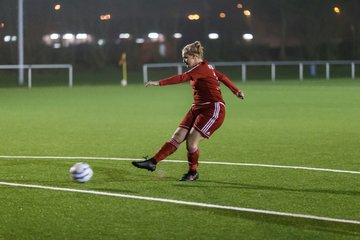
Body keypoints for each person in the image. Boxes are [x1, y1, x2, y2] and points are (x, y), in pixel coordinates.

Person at [132, 41, 244, 181]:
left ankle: (193, 172)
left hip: (213, 109)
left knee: (191, 141)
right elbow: (222, 77)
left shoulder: (201, 68)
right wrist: (236, 91)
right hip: (197, 107)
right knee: (178, 136)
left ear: (195, 56)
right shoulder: (205, 67)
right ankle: (152, 162)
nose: (184, 60)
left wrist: (159, 83)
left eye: (186, 57)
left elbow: (182, 78)